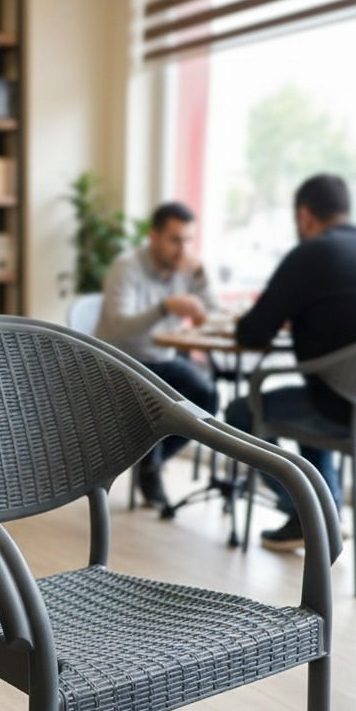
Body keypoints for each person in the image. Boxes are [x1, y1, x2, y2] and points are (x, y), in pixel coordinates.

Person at [225, 173, 356, 551]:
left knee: (240, 413)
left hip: (353, 413)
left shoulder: (312, 254)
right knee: (318, 391)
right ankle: (324, 511)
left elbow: (252, 333)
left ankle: (312, 517)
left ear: (304, 216)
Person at [96, 200, 220, 509]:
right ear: (154, 237)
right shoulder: (126, 268)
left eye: (188, 240)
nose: (183, 249)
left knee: (206, 396)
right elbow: (121, 327)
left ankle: (152, 460)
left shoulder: (185, 269)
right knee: (160, 401)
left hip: (162, 358)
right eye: (175, 240)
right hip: (120, 360)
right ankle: (149, 464)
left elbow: (214, 313)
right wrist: (165, 308)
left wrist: (202, 273)